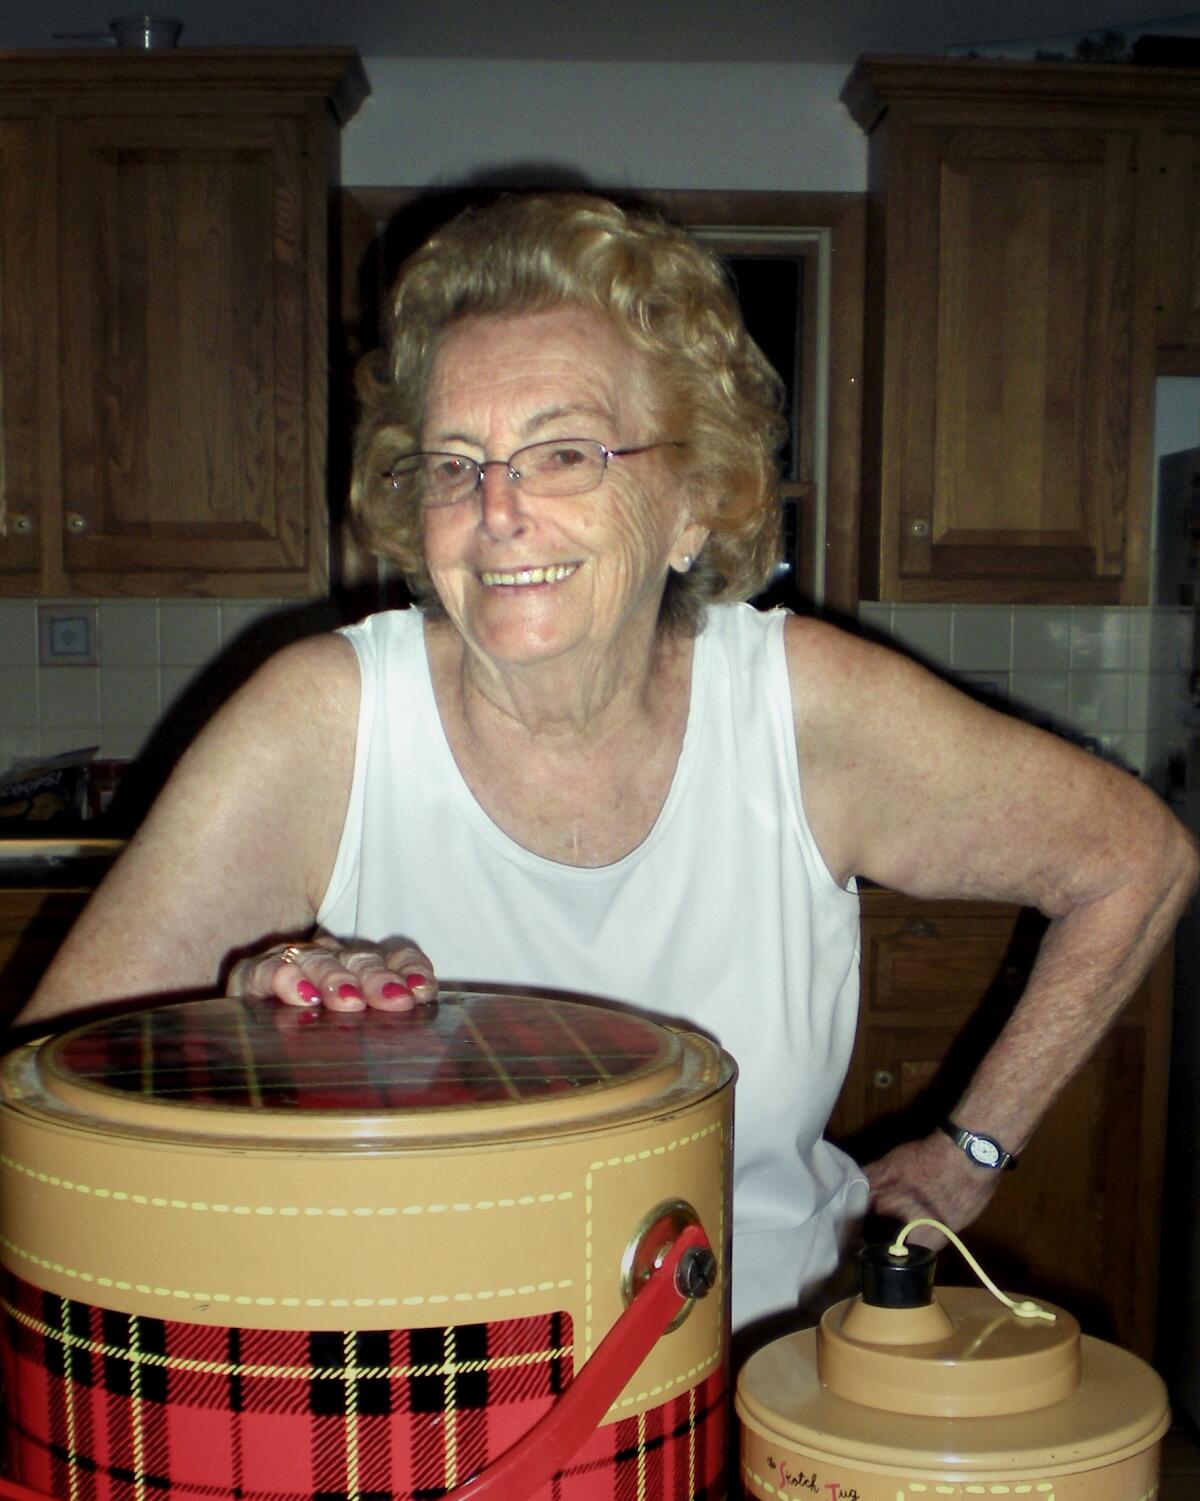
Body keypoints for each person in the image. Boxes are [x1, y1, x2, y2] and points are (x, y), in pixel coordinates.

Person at [21, 192, 1198, 1340]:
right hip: (426, 1401)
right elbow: (45, 1109)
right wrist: (246, 1028)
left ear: (692, 503)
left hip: (754, 1381)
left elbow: (1135, 860)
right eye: (452, 464)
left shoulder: (804, 713)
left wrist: (969, 1156)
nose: (498, 509)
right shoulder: (326, 720)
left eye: (565, 452)